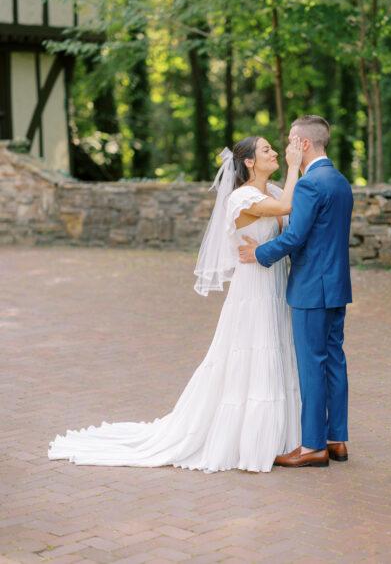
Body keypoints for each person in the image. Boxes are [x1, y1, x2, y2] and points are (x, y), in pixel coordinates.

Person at [47, 136, 304, 473]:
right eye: (267, 150)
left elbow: (288, 218)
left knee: (275, 350)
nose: (274, 153)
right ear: (250, 162)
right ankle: (250, 440)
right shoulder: (242, 197)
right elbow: (287, 208)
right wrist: (295, 164)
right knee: (254, 352)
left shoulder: (269, 192)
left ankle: (279, 437)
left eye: (274, 149)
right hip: (253, 289)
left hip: (273, 282)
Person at [239, 115, 353, 468]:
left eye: (290, 140)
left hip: (310, 289)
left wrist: (259, 253)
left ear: (303, 144)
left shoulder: (308, 185)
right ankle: (338, 439)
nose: (286, 146)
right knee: (334, 361)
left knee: (311, 365)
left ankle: (312, 446)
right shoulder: (339, 181)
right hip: (336, 287)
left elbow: (294, 237)